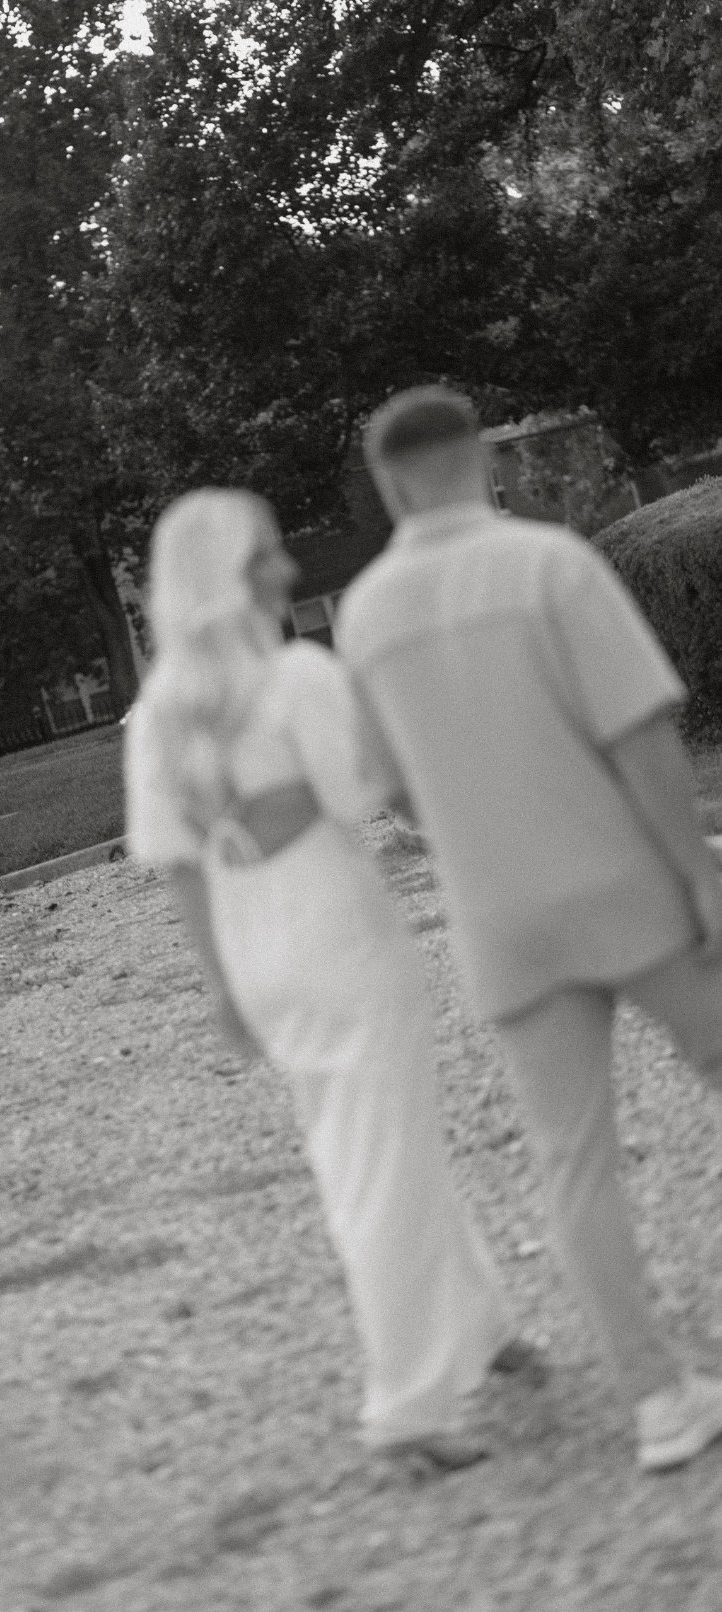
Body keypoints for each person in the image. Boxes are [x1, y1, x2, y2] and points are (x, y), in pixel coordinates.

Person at [336, 384, 722, 1473]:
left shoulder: (363, 616)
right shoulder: (547, 565)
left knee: (574, 1162)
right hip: (621, 888)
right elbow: (642, 735)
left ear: (388, 484)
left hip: (501, 922)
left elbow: (388, 789)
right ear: (481, 463)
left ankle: (657, 1401)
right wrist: (698, 876)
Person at [124, 487, 536, 1473]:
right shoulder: (295, 675)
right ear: (228, 578)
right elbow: (359, 796)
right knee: (377, 1163)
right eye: (265, 554)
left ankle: (479, 1329)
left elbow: (177, 861)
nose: (284, 569)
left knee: (373, 1139)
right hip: (335, 930)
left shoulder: (155, 718)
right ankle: (407, 1411)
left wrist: (222, 988)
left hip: (257, 944)